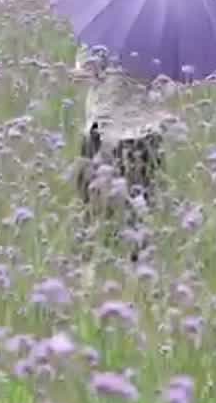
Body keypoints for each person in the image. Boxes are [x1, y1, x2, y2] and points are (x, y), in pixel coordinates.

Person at [72, 43, 172, 253]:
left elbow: (168, 87)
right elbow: (84, 67)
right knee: (96, 217)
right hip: (106, 132)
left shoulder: (163, 39)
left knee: (132, 218)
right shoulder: (101, 34)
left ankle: (127, 274)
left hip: (135, 136)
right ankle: (95, 273)